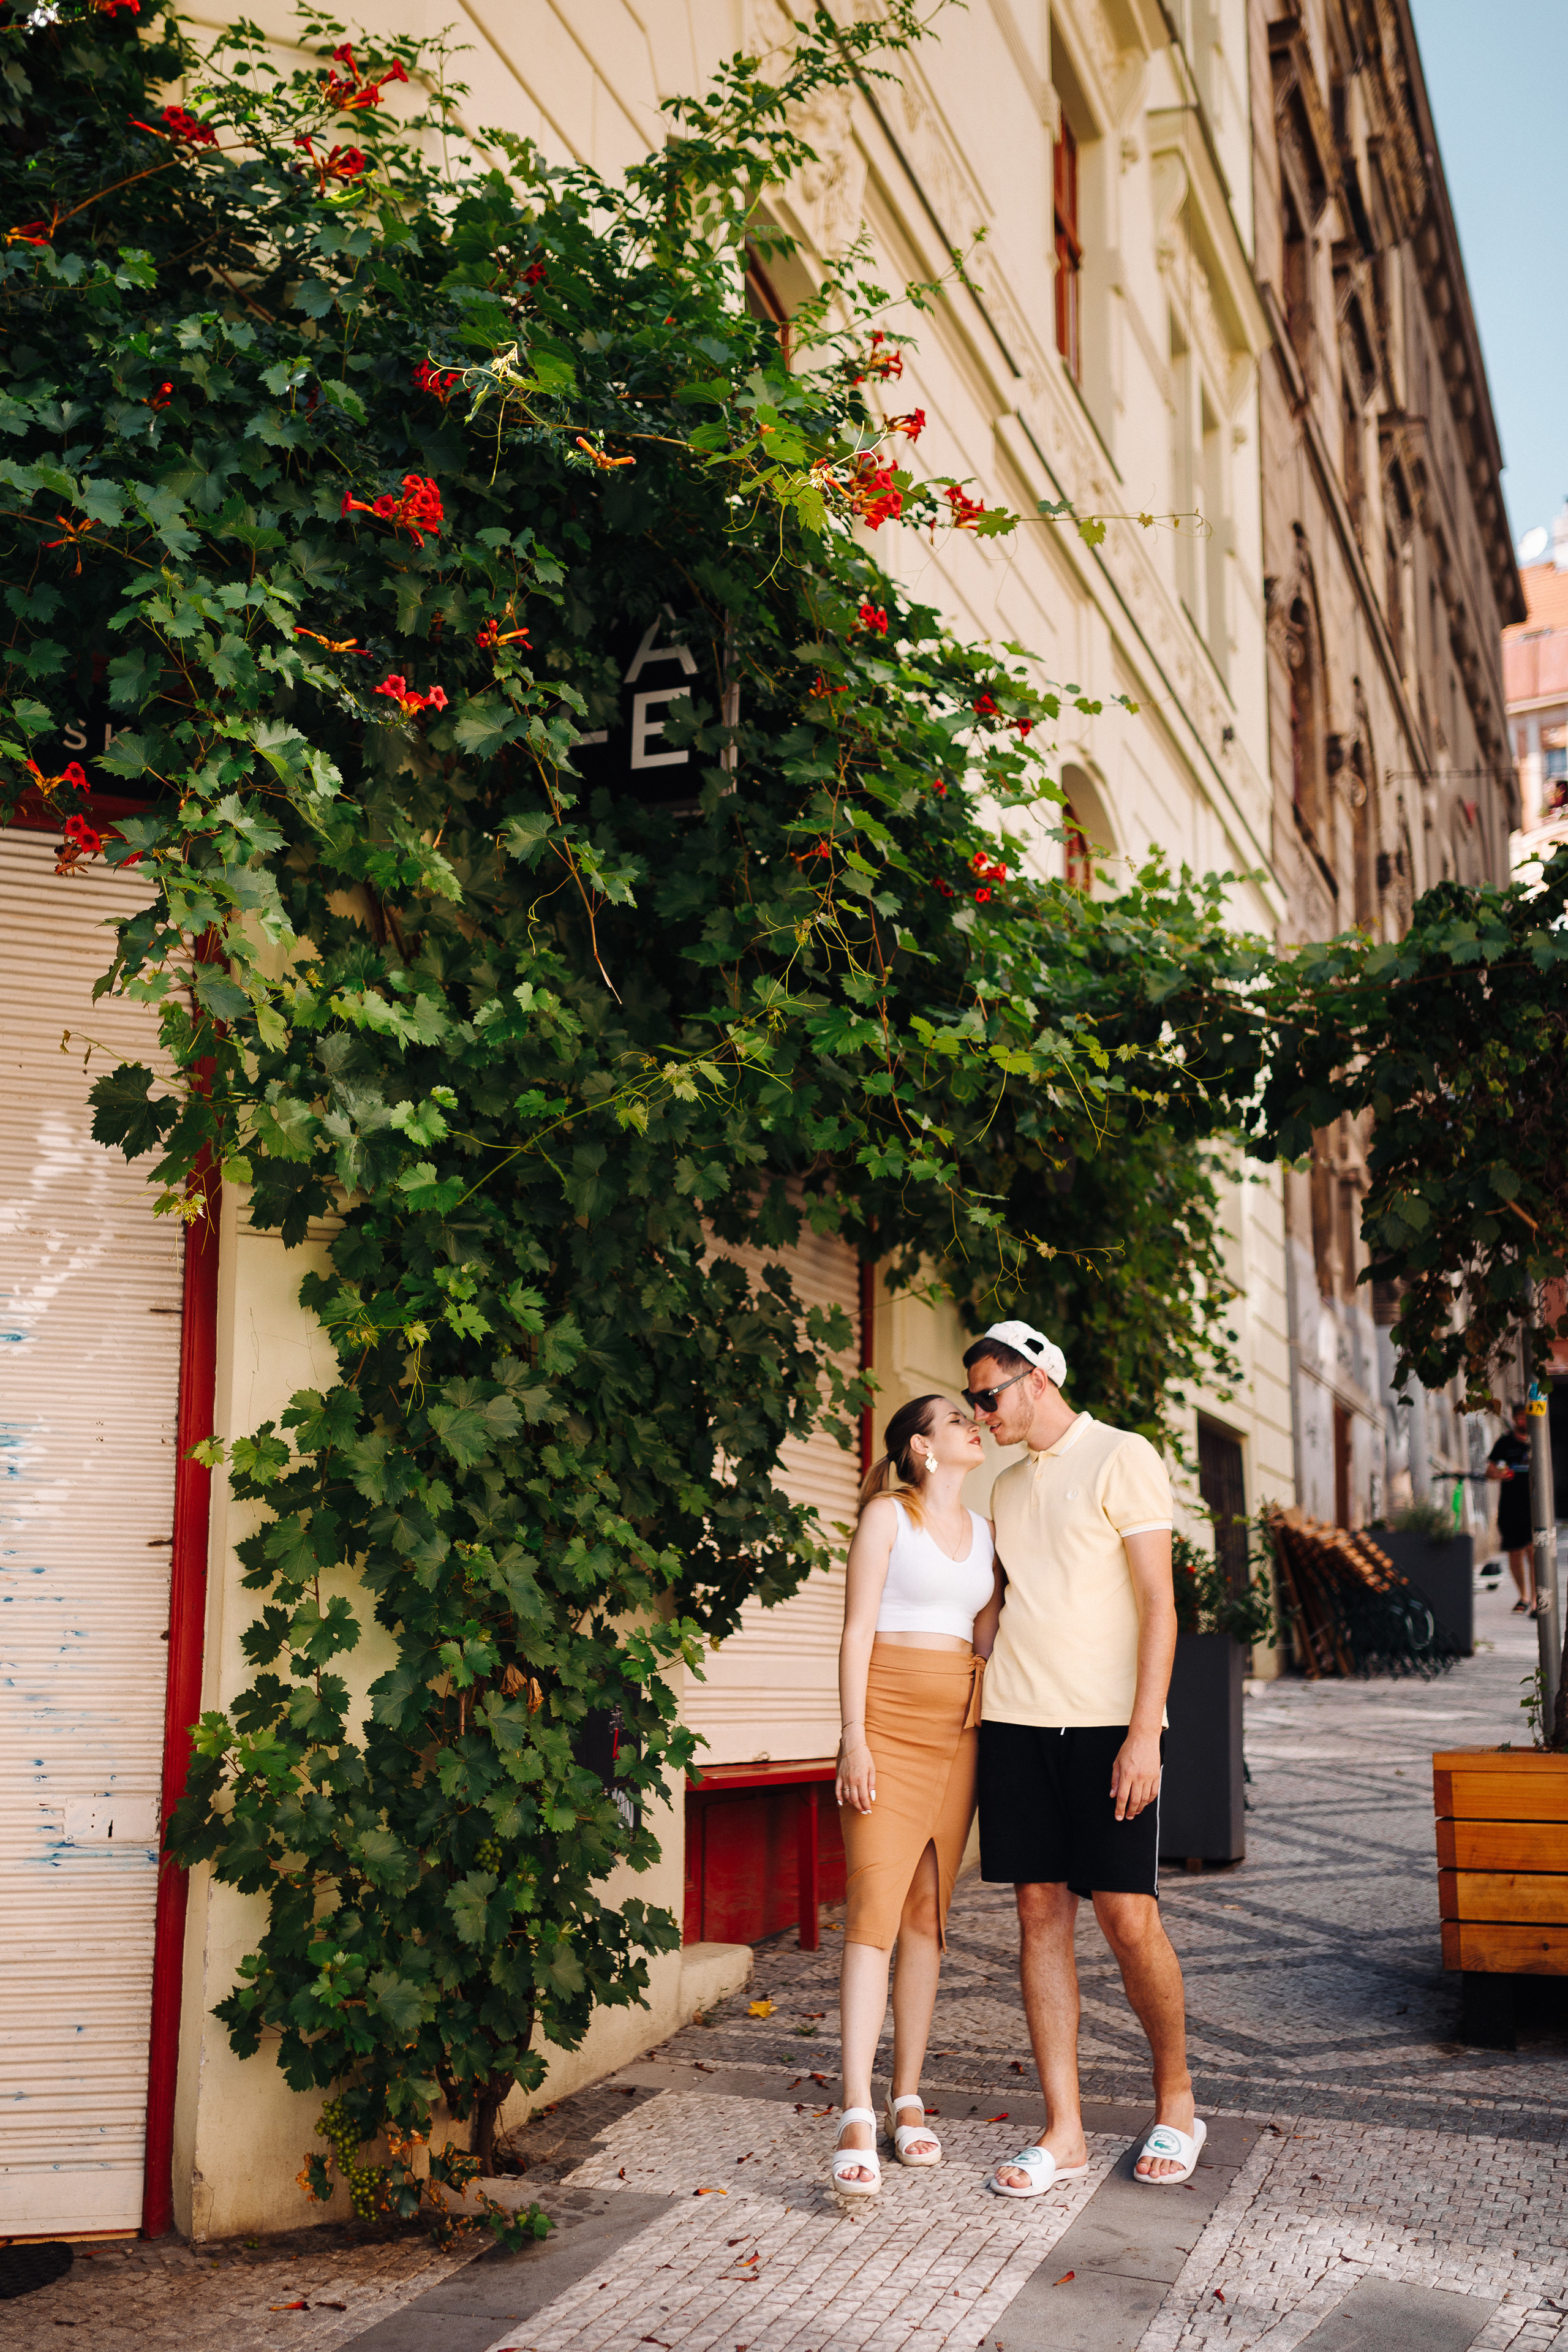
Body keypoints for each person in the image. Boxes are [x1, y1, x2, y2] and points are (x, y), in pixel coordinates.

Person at [962, 1319, 1203, 2191]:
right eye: (974, 1404)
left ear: (1036, 1381)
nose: (981, 1416)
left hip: (1110, 1727)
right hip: (1017, 1725)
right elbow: (997, 1609)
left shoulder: (1122, 1455)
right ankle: (1063, 2131)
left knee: (1126, 1915)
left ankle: (1176, 2102)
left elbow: (1158, 1605)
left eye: (989, 1398)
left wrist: (1147, 1732)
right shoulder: (1004, 1486)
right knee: (1037, 1915)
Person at [830, 1394, 1003, 2210]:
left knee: (929, 1914)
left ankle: (907, 2097)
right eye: (956, 1417)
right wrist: (853, 1737)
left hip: (959, 1733)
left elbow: (989, 1638)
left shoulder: (988, 1534)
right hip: (888, 1724)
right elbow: (857, 1629)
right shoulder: (885, 1520)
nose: (975, 1423)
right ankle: (857, 2112)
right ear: (921, 1447)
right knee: (873, 1910)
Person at [1487, 1400, 1536, 1613]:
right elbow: (1490, 1471)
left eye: (1526, 1416)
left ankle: (1535, 1598)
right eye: (1520, 1416)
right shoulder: (1505, 1444)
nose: (1523, 1420)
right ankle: (1523, 1596)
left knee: (1533, 1552)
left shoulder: (1537, 1442)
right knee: (1514, 1553)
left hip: (1534, 1506)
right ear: (1515, 1418)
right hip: (1510, 1506)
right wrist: (1499, 1475)